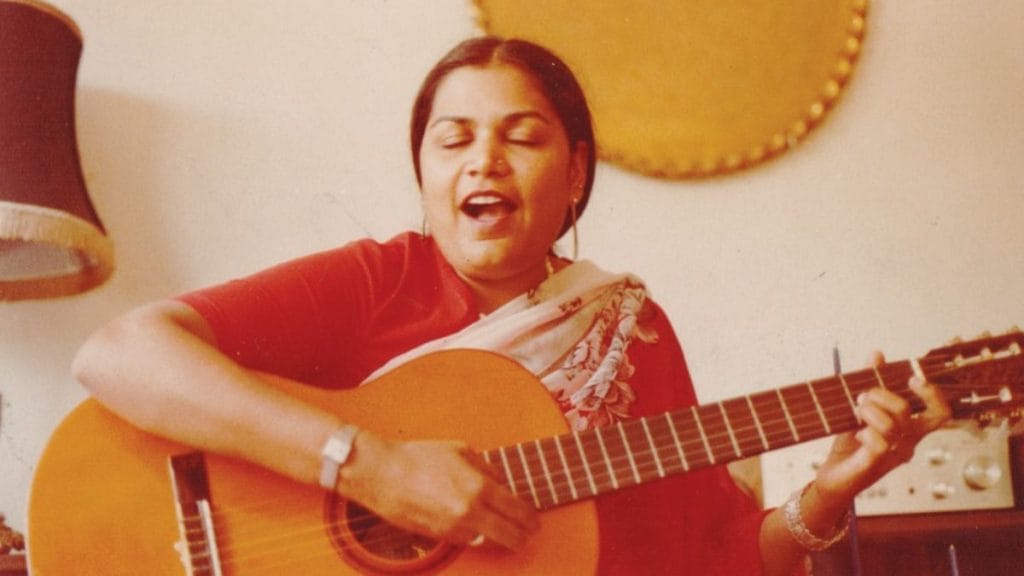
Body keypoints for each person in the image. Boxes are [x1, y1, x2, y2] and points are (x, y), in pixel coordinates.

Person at [73, 36, 951, 575]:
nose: (483, 161)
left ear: (573, 175)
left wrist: (836, 487)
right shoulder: (378, 280)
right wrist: (368, 464)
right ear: (423, 172)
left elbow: (705, 557)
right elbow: (118, 353)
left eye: (521, 138)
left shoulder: (628, 332)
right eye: (452, 140)